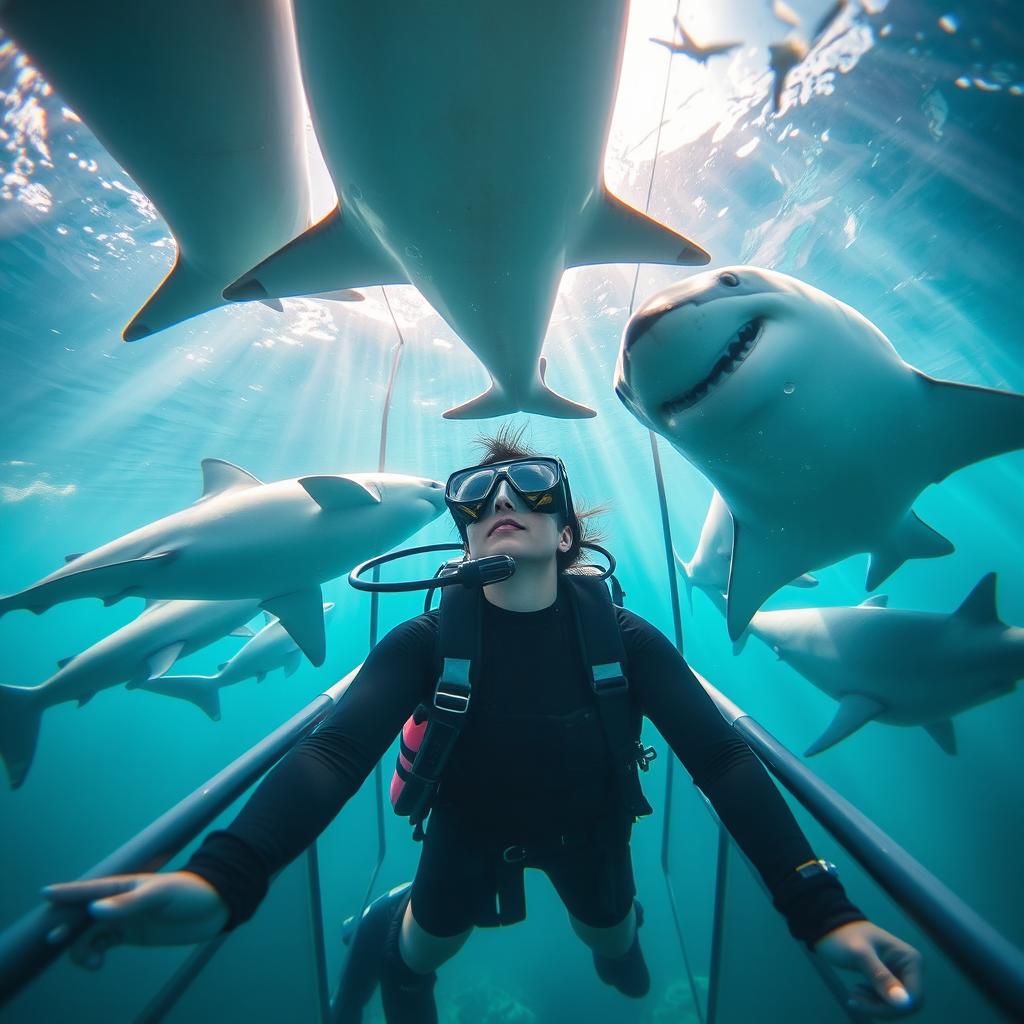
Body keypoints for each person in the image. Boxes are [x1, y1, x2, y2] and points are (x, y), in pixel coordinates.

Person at [44, 427, 923, 1023]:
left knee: (611, 945)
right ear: (462, 532)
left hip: (595, 831)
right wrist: (221, 880)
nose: (503, 498)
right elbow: (333, 753)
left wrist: (823, 913)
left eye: (533, 488)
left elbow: (725, 760)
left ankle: (614, 956)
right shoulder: (426, 641)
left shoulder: (625, 638)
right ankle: (395, 942)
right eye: (476, 493)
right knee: (423, 956)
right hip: (464, 831)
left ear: (566, 529)